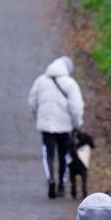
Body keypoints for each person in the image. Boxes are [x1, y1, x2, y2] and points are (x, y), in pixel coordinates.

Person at [28, 55, 84, 199]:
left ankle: (50, 178)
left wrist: (38, 117)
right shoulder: (70, 83)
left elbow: (32, 102)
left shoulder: (40, 81)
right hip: (64, 126)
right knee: (63, 155)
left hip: (46, 124)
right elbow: (76, 107)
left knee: (48, 153)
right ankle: (61, 184)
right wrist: (77, 124)